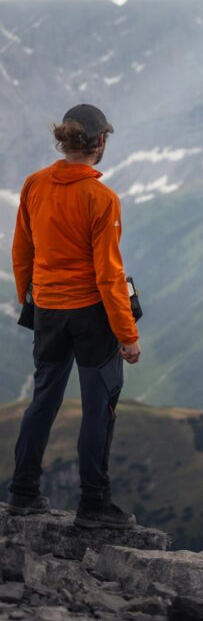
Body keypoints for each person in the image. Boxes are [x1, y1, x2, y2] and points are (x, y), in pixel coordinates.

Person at [7, 103, 141, 529]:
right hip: (90, 316)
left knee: (43, 399)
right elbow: (109, 275)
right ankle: (94, 504)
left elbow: (20, 252)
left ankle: (22, 494)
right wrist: (127, 332)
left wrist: (32, 298)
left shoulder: (33, 185)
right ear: (100, 143)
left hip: (47, 309)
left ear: (64, 139)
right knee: (98, 406)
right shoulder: (101, 198)